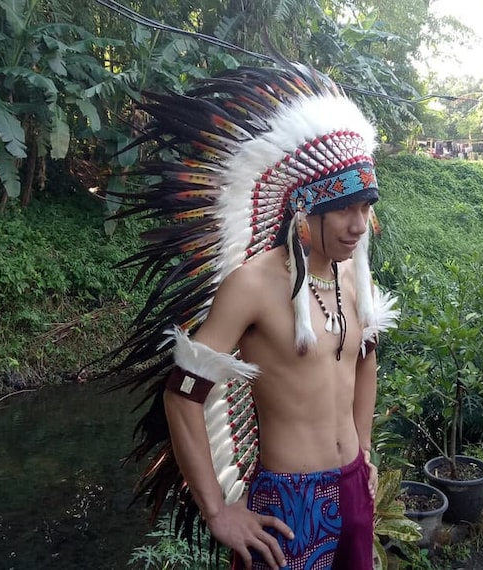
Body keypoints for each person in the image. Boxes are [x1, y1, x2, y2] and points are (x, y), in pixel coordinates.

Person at [113, 61, 398, 570]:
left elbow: (364, 360)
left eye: (366, 207)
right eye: (345, 209)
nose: (359, 226)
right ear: (305, 209)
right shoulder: (253, 284)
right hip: (288, 503)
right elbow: (183, 394)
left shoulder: (356, 275)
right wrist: (218, 511)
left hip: (355, 485)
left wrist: (365, 449)